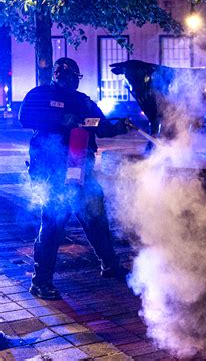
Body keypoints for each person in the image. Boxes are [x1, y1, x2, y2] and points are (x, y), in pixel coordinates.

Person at [19, 57, 130, 300]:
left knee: (96, 218)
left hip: (82, 170)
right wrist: (59, 120)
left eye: (72, 75)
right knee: (53, 223)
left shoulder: (84, 102)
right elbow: (24, 118)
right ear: (56, 74)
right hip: (52, 173)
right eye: (62, 72)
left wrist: (120, 126)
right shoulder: (40, 95)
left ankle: (110, 265)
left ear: (77, 79)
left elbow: (102, 128)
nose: (66, 77)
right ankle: (41, 281)